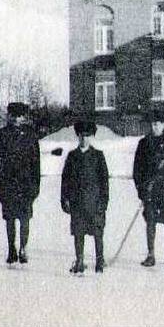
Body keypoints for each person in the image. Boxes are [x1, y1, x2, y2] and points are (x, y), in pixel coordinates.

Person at [0, 102, 41, 264]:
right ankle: (11, 248)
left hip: (26, 185)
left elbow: (36, 162)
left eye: (19, 116)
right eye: (13, 115)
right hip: (7, 185)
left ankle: (23, 249)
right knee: (10, 219)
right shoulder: (1, 135)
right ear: (9, 116)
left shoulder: (31, 136)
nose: (16, 119)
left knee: (25, 219)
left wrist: (35, 185)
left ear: (24, 117)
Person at [133, 109, 164, 267]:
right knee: (150, 223)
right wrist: (141, 189)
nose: (156, 127)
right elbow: (137, 169)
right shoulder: (144, 143)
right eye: (154, 124)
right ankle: (151, 254)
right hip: (150, 190)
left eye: (159, 124)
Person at [61, 117, 109, 274]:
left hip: (94, 203)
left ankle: (99, 260)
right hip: (77, 202)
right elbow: (65, 180)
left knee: (97, 233)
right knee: (78, 233)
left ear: (91, 137)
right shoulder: (72, 156)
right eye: (81, 135)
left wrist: (103, 202)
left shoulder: (98, 156)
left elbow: (104, 182)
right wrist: (64, 199)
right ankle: (79, 260)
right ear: (78, 136)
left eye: (87, 135)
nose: (84, 138)